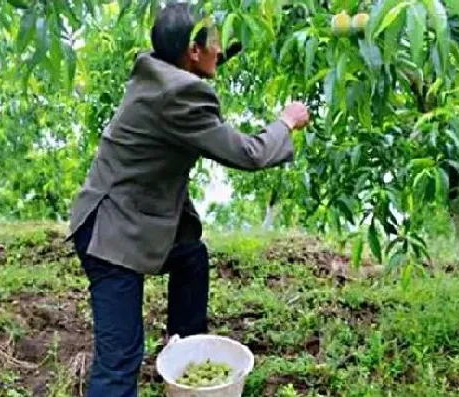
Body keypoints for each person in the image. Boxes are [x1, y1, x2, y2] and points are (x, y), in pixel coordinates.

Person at [67, 3, 309, 397]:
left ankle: (185, 354)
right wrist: (286, 121)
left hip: (129, 218)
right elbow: (249, 154)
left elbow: (208, 59)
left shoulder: (159, 69)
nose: (219, 50)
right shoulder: (181, 95)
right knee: (120, 359)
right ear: (192, 52)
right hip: (110, 236)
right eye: (213, 42)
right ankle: (170, 366)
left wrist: (257, 24)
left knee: (190, 258)